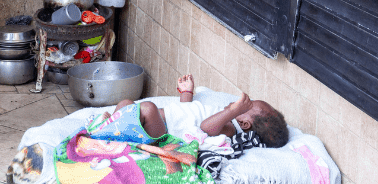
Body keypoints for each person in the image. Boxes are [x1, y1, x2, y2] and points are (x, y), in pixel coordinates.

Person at [95, 74, 289, 148]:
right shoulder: (219, 113)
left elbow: (206, 127)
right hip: (156, 122)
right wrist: (187, 92)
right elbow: (187, 111)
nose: (240, 103)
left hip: (161, 133)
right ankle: (111, 128)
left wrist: (232, 111)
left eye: (248, 106)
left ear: (245, 123)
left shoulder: (229, 128)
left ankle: (109, 132)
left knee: (147, 108)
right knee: (127, 104)